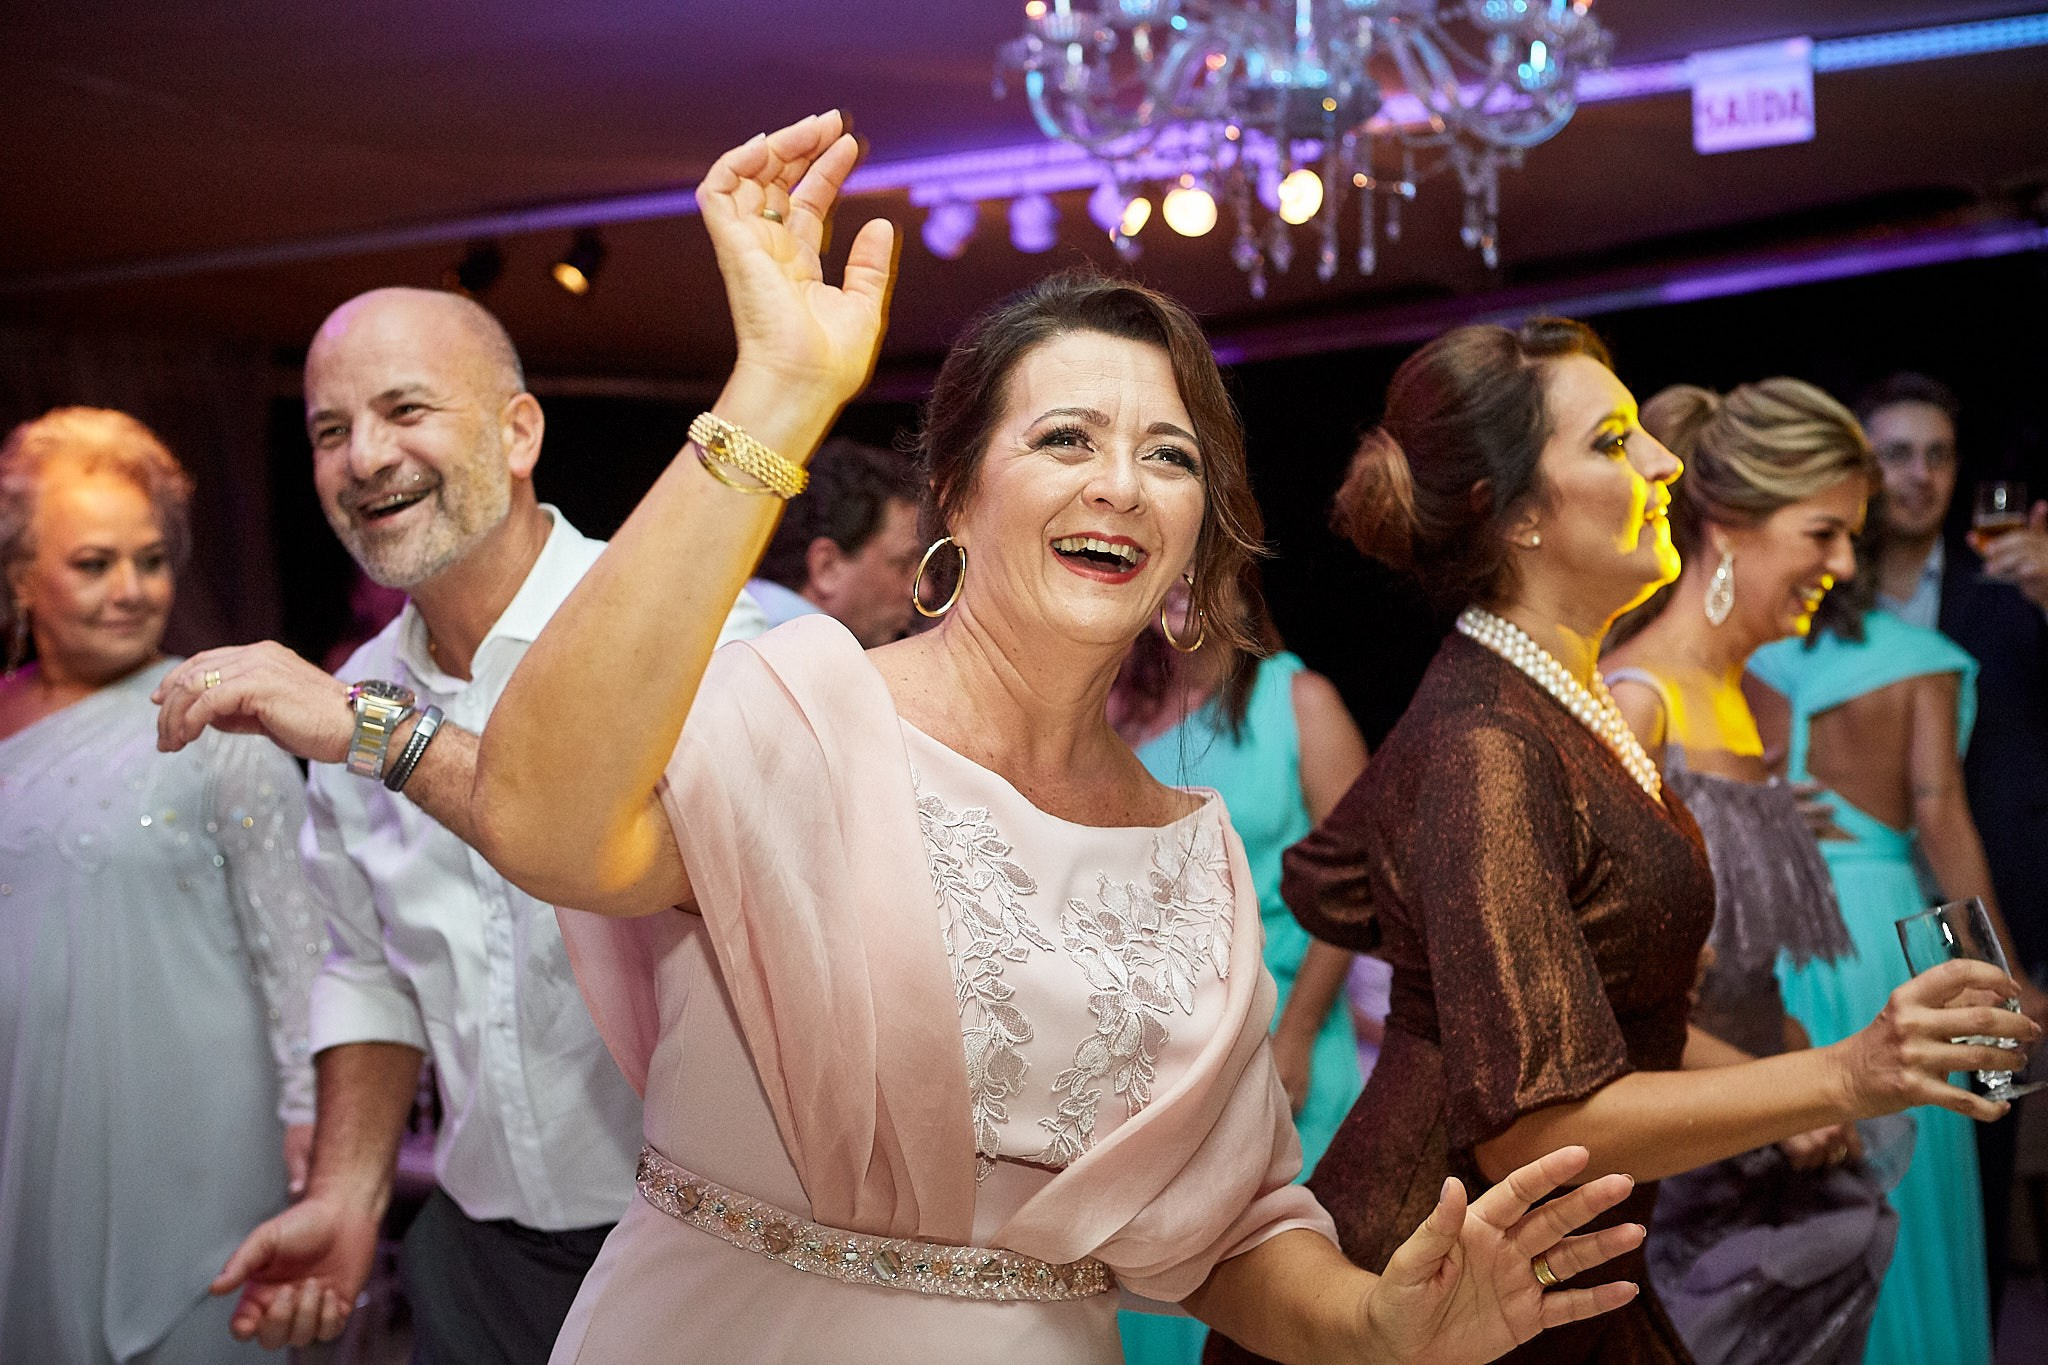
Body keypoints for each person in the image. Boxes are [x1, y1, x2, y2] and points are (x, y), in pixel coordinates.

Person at [463, 112, 1652, 1364]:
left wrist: (1375, 1325)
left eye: (1169, 457)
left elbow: (1227, 1235)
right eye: (1065, 439)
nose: (1121, 487)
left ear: (1195, 538)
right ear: (960, 495)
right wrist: (780, 386)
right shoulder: (805, 713)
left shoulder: (1190, 861)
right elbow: (540, 822)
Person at [1231, 319, 2038, 1365]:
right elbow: (1534, 1126)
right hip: (1442, 1279)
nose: (1663, 462)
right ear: (1513, 514)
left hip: (1554, 1260)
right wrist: (1851, 1071)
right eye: (1611, 443)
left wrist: (1471, 973)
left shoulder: (1542, 700)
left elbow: (1336, 878)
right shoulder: (1487, 736)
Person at [150, 288, 767, 1360]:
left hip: (703, 1256)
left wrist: (371, 732)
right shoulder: (354, 690)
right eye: (330, 433)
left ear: (518, 432)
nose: (364, 458)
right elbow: (369, 968)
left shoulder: (692, 631)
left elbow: (712, 882)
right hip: (475, 1263)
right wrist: (347, 1196)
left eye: (405, 410)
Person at [0, 408, 324, 1364]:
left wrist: (317, 1145)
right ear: (21, 573)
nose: (132, 590)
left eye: (150, 559)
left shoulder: (219, 716)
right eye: (94, 563)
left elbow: (298, 953)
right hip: (28, 1125)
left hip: (197, 1139)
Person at [1602, 378, 1904, 1363]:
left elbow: (1729, 958)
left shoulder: (1736, 702)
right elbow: (1591, 992)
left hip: (1763, 1141)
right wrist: (1787, 1087)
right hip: (1678, 1173)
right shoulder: (1632, 706)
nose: (1843, 563)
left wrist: (1790, 1051)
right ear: (1727, 527)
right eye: (1822, 533)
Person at [1748, 494, 2048, 1365]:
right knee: (1913, 1188)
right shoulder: (1923, 660)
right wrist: (2007, 974)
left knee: (1801, 1187)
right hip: (1886, 934)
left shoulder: (1752, 665)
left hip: (1778, 937)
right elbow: (1938, 816)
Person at [1108, 581, 1370, 1364]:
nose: (1183, 585)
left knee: (1270, 1287)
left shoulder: (1301, 700)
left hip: (1278, 1036)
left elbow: (1352, 886)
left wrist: (1293, 1035)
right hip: (1151, 1053)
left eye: (1205, 562)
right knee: (1152, 1288)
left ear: (1241, 571)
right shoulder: (1116, 703)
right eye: (1170, 566)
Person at [1857, 371, 2048, 1324]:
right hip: (1860, 926)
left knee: (1981, 1147)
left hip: (1991, 910)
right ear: (1861, 464)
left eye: (1938, 454)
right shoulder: (1817, 603)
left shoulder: (2006, 597)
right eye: (1896, 451)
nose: (1919, 475)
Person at [746, 435, 923, 645]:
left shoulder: (727, 630)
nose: (922, 590)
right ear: (826, 567)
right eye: (903, 564)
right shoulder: (795, 662)